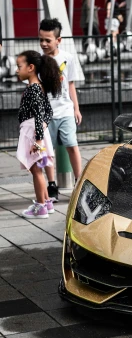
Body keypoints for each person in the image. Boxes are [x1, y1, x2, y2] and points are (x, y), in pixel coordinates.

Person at [38, 17, 83, 201]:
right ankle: (52, 185)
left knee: (72, 145)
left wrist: (76, 109)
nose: (43, 43)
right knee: (48, 151)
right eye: (41, 39)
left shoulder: (67, 58)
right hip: (45, 114)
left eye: (47, 40)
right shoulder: (37, 61)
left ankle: (79, 183)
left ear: (58, 40)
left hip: (65, 110)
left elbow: (71, 84)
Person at [15, 50, 61, 219]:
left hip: (33, 134)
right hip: (36, 132)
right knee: (38, 169)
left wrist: (38, 140)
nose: (16, 70)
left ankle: (41, 207)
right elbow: (48, 112)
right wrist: (42, 129)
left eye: (19, 66)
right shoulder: (38, 87)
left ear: (31, 67)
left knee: (36, 171)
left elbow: (40, 114)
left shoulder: (34, 88)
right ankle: (47, 202)